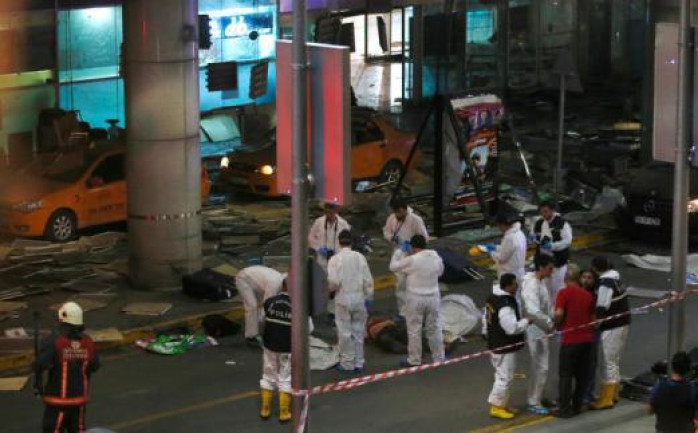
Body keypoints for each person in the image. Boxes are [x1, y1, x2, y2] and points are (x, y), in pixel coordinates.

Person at [35, 302, 100, 433]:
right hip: (79, 402)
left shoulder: (55, 341)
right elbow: (95, 366)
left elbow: (40, 364)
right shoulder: (88, 342)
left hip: (57, 402)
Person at [389, 234, 445, 367]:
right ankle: (439, 357)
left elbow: (393, 267)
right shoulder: (436, 256)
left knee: (414, 329)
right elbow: (440, 272)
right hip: (433, 297)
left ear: (413, 247)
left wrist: (399, 252)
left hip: (416, 298)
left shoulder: (412, 259)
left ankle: (414, 360)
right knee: (435, 328)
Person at [484, 273, 532, 420]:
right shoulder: (505, 305)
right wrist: (526, 321)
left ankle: (502, 403)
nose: (517, 286)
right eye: (514, 283)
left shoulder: (492, 298)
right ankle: (496, 407)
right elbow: (511, 328)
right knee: (504, 377)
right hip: (504, 345)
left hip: (495, 343)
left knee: (503, 375)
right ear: (509, 285)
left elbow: (484, 319)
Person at [327, 230, 374, 373]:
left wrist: (330, 292)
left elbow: (333, 282)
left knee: (344, 332)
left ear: (338, 242)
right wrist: (369, 297)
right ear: (352, 242)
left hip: (343, 298)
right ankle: (359, 362)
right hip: (359, 298)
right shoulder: (360, 257)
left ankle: (347, 363)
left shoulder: (335, 259)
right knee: (359, 331)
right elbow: (368, 280)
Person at [553, 264, 596, 418]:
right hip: (587, 340)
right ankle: (577, 406)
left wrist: (556, 325)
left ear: (565, 278)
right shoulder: (588, 295)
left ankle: (564, 409)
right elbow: (593, 319)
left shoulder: (563, 293)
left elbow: (559, 313)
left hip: (570, 340)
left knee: (565, 375)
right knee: (581, 375)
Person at [590, 256, 631, 410]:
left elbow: (602, 305)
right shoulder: (616, 278)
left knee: (608, 361)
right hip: (622, 324)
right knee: (614, 360)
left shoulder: (605, 284)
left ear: (595, 269)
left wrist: (596, 323)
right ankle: (613, 394)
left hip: (612, 326)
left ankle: (606, 398)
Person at [520, 254, 556, 414]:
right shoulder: (531, 285)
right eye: (549, 268)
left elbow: (547, 306)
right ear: (541, 267)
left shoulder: (540, 282)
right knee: (539, 366)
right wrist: (548, 324)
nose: (552, 272)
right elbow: (533, 310)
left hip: (541, 327)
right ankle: (533, 401)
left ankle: (537, 397)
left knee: (542, 366)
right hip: (535, 328)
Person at [383, 198, 429, 318]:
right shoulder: (392, 218)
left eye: (399, 212)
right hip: (399, 254)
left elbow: (425, 238)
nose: (397, 215)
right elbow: (386, 231)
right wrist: (391, 238)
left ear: (404, 209)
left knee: (416, 285)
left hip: (414, 256)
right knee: (400, 285)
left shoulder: (416, 220)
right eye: (395, 212)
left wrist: (412, 246)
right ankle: (403, 313)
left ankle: (418, 310)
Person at [308, 202, 352, 320]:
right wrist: (319, 248)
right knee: (322, 285)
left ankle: (333, 313)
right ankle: (321, 308)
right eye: (326, 212)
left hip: (337, 260)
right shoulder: (319, 222)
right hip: (322, 259)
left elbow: (347, 242)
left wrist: (338, 254)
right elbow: (310, 237)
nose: (328, 215)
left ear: (336, 211)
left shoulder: (343, 224)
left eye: (331, 212)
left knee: (335, 285)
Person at [259, 279, 292, 423]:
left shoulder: (269, 302)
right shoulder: (299, 307)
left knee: (268, 374)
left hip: (269, 344)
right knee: (285, 377)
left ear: (282, 287)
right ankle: (284, 412)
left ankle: (265, 408)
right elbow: (309, 329)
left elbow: (261, 320)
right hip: (287, 347)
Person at [235, 265, 285, 348]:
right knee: (252, 306)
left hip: (256, 281)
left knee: (260, 308)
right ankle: (251, 336)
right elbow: (267, 305)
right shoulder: (274, 284)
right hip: (244, 278)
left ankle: (259, 331)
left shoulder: (282, 281)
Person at [532, 201, 573, 302]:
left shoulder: (562, 223)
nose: (543, 215)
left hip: (558, 262)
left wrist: (553, 246)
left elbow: (567, 241)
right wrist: (534, 238)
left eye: (545, 212)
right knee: (545, 289)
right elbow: (533, 234)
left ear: (552, 210)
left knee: (558, 288)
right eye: (541, 212)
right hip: (543, 262)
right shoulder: (539, 223)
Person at [648, 351, 698, 433]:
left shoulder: (660, 386)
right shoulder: (692, 389)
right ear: (688, 369)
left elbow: (649, 410)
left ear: (673, 367)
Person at [579, 269, 601, 405]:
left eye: (589, 278)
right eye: (584, 277)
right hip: (578, 332)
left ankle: (587, 393)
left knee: (590, 364)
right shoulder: (576, 294)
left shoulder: (596, 296)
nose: (586, 280)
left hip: (591, 332)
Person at [490, 214, 527, 283]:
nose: (499, 229)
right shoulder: (519, 233)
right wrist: (496, 247)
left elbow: (502, 258)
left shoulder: (509, 237)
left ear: (503, 225)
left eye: (499, 226)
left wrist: (492, 253)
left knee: (510, 292)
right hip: (519, 271)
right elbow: (511, 249)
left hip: (510, 274)